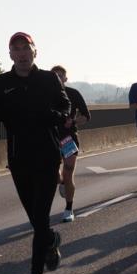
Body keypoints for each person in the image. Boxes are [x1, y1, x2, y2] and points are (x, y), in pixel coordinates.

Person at [0, 32, 71, 274]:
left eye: (25, 48)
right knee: (35, 219)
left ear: (34, 52)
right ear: (10, 55)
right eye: (16, 49)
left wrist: (56, 116)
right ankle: (51, 240)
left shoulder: (47, 79)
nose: (21, 53)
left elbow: (65, 104)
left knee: (40, 218)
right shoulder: (1, 83)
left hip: (46, 155)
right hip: (19, 158)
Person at [51, 65, 91, 222]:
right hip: (51, 139)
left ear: (65, 78)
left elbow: (86, 116)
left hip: (68, 138)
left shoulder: (73, 94)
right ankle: (61, 182)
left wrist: (74, 121)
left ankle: (69, 208)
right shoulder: (45, 95)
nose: (58, 78)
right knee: (54, 174)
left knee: (68, 172)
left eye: (61, 76)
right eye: (55, 75)